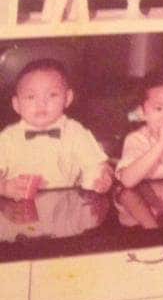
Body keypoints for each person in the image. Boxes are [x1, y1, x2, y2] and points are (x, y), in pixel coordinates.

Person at [0, 58, 112, 198]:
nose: (41, 104)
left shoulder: (76, 132)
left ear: (67, 98)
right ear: (16, 104)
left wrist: (100, 179)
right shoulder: (8, 138)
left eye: (52, 95)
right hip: (19, 211)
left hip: (64, 209)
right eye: (30, 97)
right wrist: (4, 187)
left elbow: (95, 165)